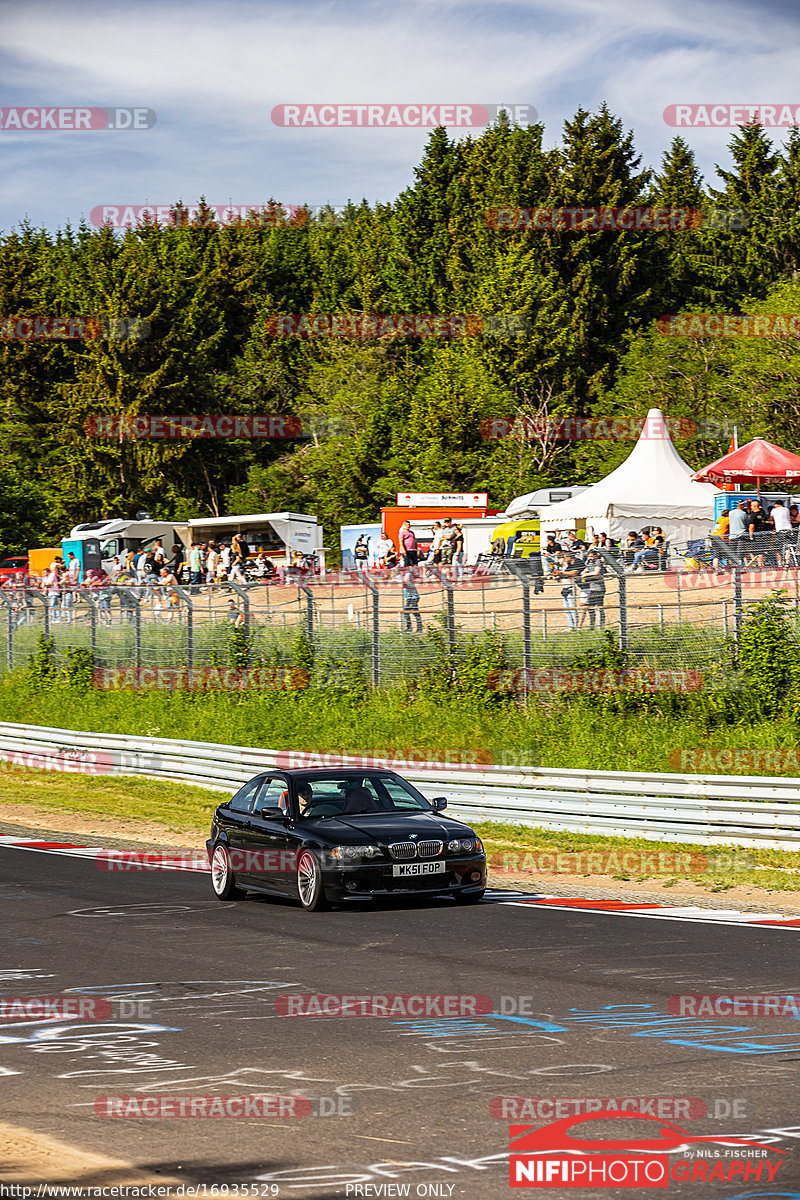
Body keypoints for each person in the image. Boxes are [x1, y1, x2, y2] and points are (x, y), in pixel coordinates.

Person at [553, 550, 584, 631]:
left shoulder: (577, 562)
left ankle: (576, 626)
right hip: (565, 588)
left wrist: (560, 573)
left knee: (572, 608)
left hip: (573, 587)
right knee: (567, 609)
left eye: (564, 557)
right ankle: (571, 626)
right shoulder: (569, 565)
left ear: (569, 557)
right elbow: (566, 573)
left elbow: (573, 573)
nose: (564, 559)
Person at [581, 550, 606, 628]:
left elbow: (596, 572)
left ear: (596, 556)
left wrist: (586, 575)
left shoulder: (598, 561)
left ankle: (601, 625)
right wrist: (584, 572)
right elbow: (585, 571)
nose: (590, 558)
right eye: (589, 556)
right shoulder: (589, 562)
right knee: (590, 607)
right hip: (592, 588)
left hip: (599, 588)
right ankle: (592, 625)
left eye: (591, 556)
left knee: (599, 607)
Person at [770, 501, 793, 566]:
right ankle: (787, 562)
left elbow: (771, 520)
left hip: (779, 530)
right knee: (788, 547)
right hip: (789, 530)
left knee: (776, 547)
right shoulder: (787, 510)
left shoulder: (774, 510)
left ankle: (779, 563)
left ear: (776, 504)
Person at [401, 567, 423, 632]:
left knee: (406, 612)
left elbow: (407, 581)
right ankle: (419, 628)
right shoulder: (405, 575)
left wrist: (400, 581)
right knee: (415, 612)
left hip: (412, 597)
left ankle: (410, 628)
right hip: (411, 597)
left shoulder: (408, 574)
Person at [728, 501, 748, 566]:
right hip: (741, 535)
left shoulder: (730, 513)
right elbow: (747, 523)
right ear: (742, 505)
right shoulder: (744, 513)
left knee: (732, 553)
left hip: (732, 535)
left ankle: (732, 566)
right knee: (740, 553)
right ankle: (739, 566)